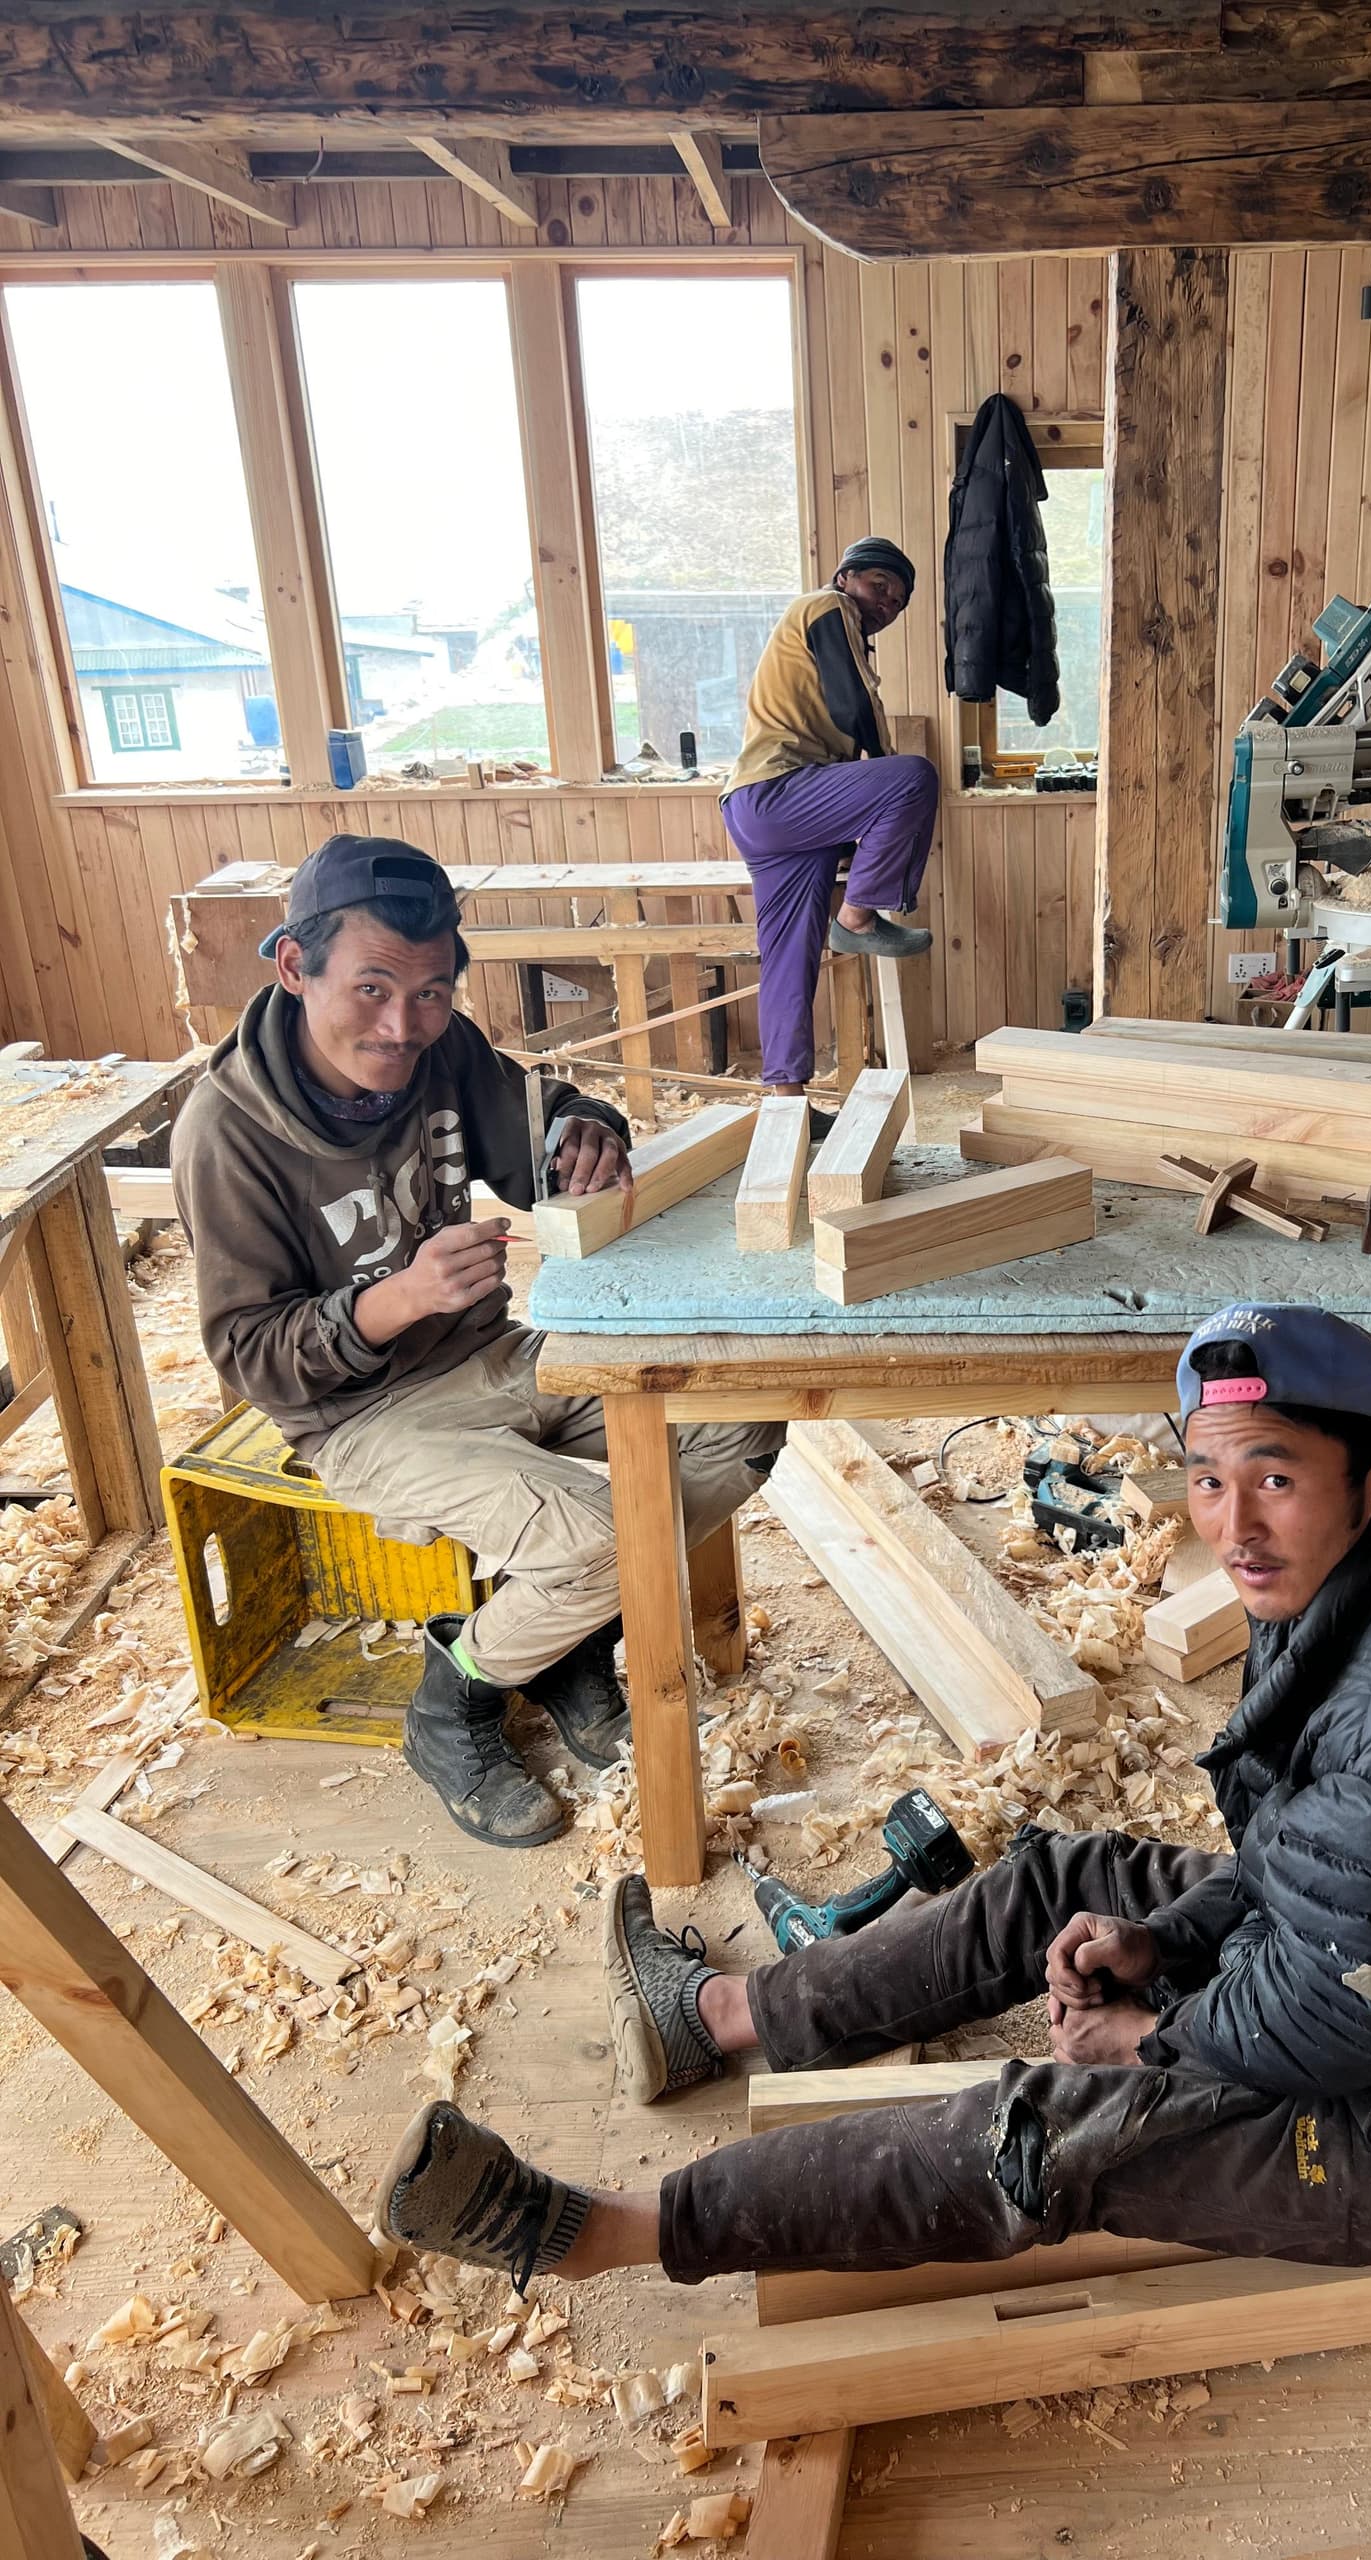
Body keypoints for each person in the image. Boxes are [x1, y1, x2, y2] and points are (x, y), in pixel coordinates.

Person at [374, 1303, 1371, 2293]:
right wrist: (1167, 1947)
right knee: (1064, 1882)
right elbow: (1308, 1874)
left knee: (1044, 2133)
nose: (1233, 1524)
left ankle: (609, 2235)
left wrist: (1154, 2038)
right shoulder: (1350, 1585)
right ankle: (720, 2016)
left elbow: (1339, 2021)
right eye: (1209, 1479)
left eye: (1275, 1476)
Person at [172, 835, 784, 1850]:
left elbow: (537, 1125)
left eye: (431, 992)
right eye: (370, 989)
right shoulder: (225, 1134)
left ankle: (563, 1634)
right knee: (611, 1534)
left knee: (739, 1415)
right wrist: (394, 1299)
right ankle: (454, 1691)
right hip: (362, 1413)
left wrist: (583, 1135)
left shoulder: (438, 1047)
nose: (401, 1025)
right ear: (293, 965)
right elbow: (248, 1353)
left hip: (494, 1352)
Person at [720, 537, 938, 1114]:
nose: (885, 604)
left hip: (759, 808)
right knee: (913, 777)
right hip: (780, 790)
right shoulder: (824, 607)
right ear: (845, 577)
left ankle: (786, 1100)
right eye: (878, 586)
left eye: (897, 603)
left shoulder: (833, 633)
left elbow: (840, 719)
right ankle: (860, 916)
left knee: (788, 957)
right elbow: (854, 706)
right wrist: (885, 767)